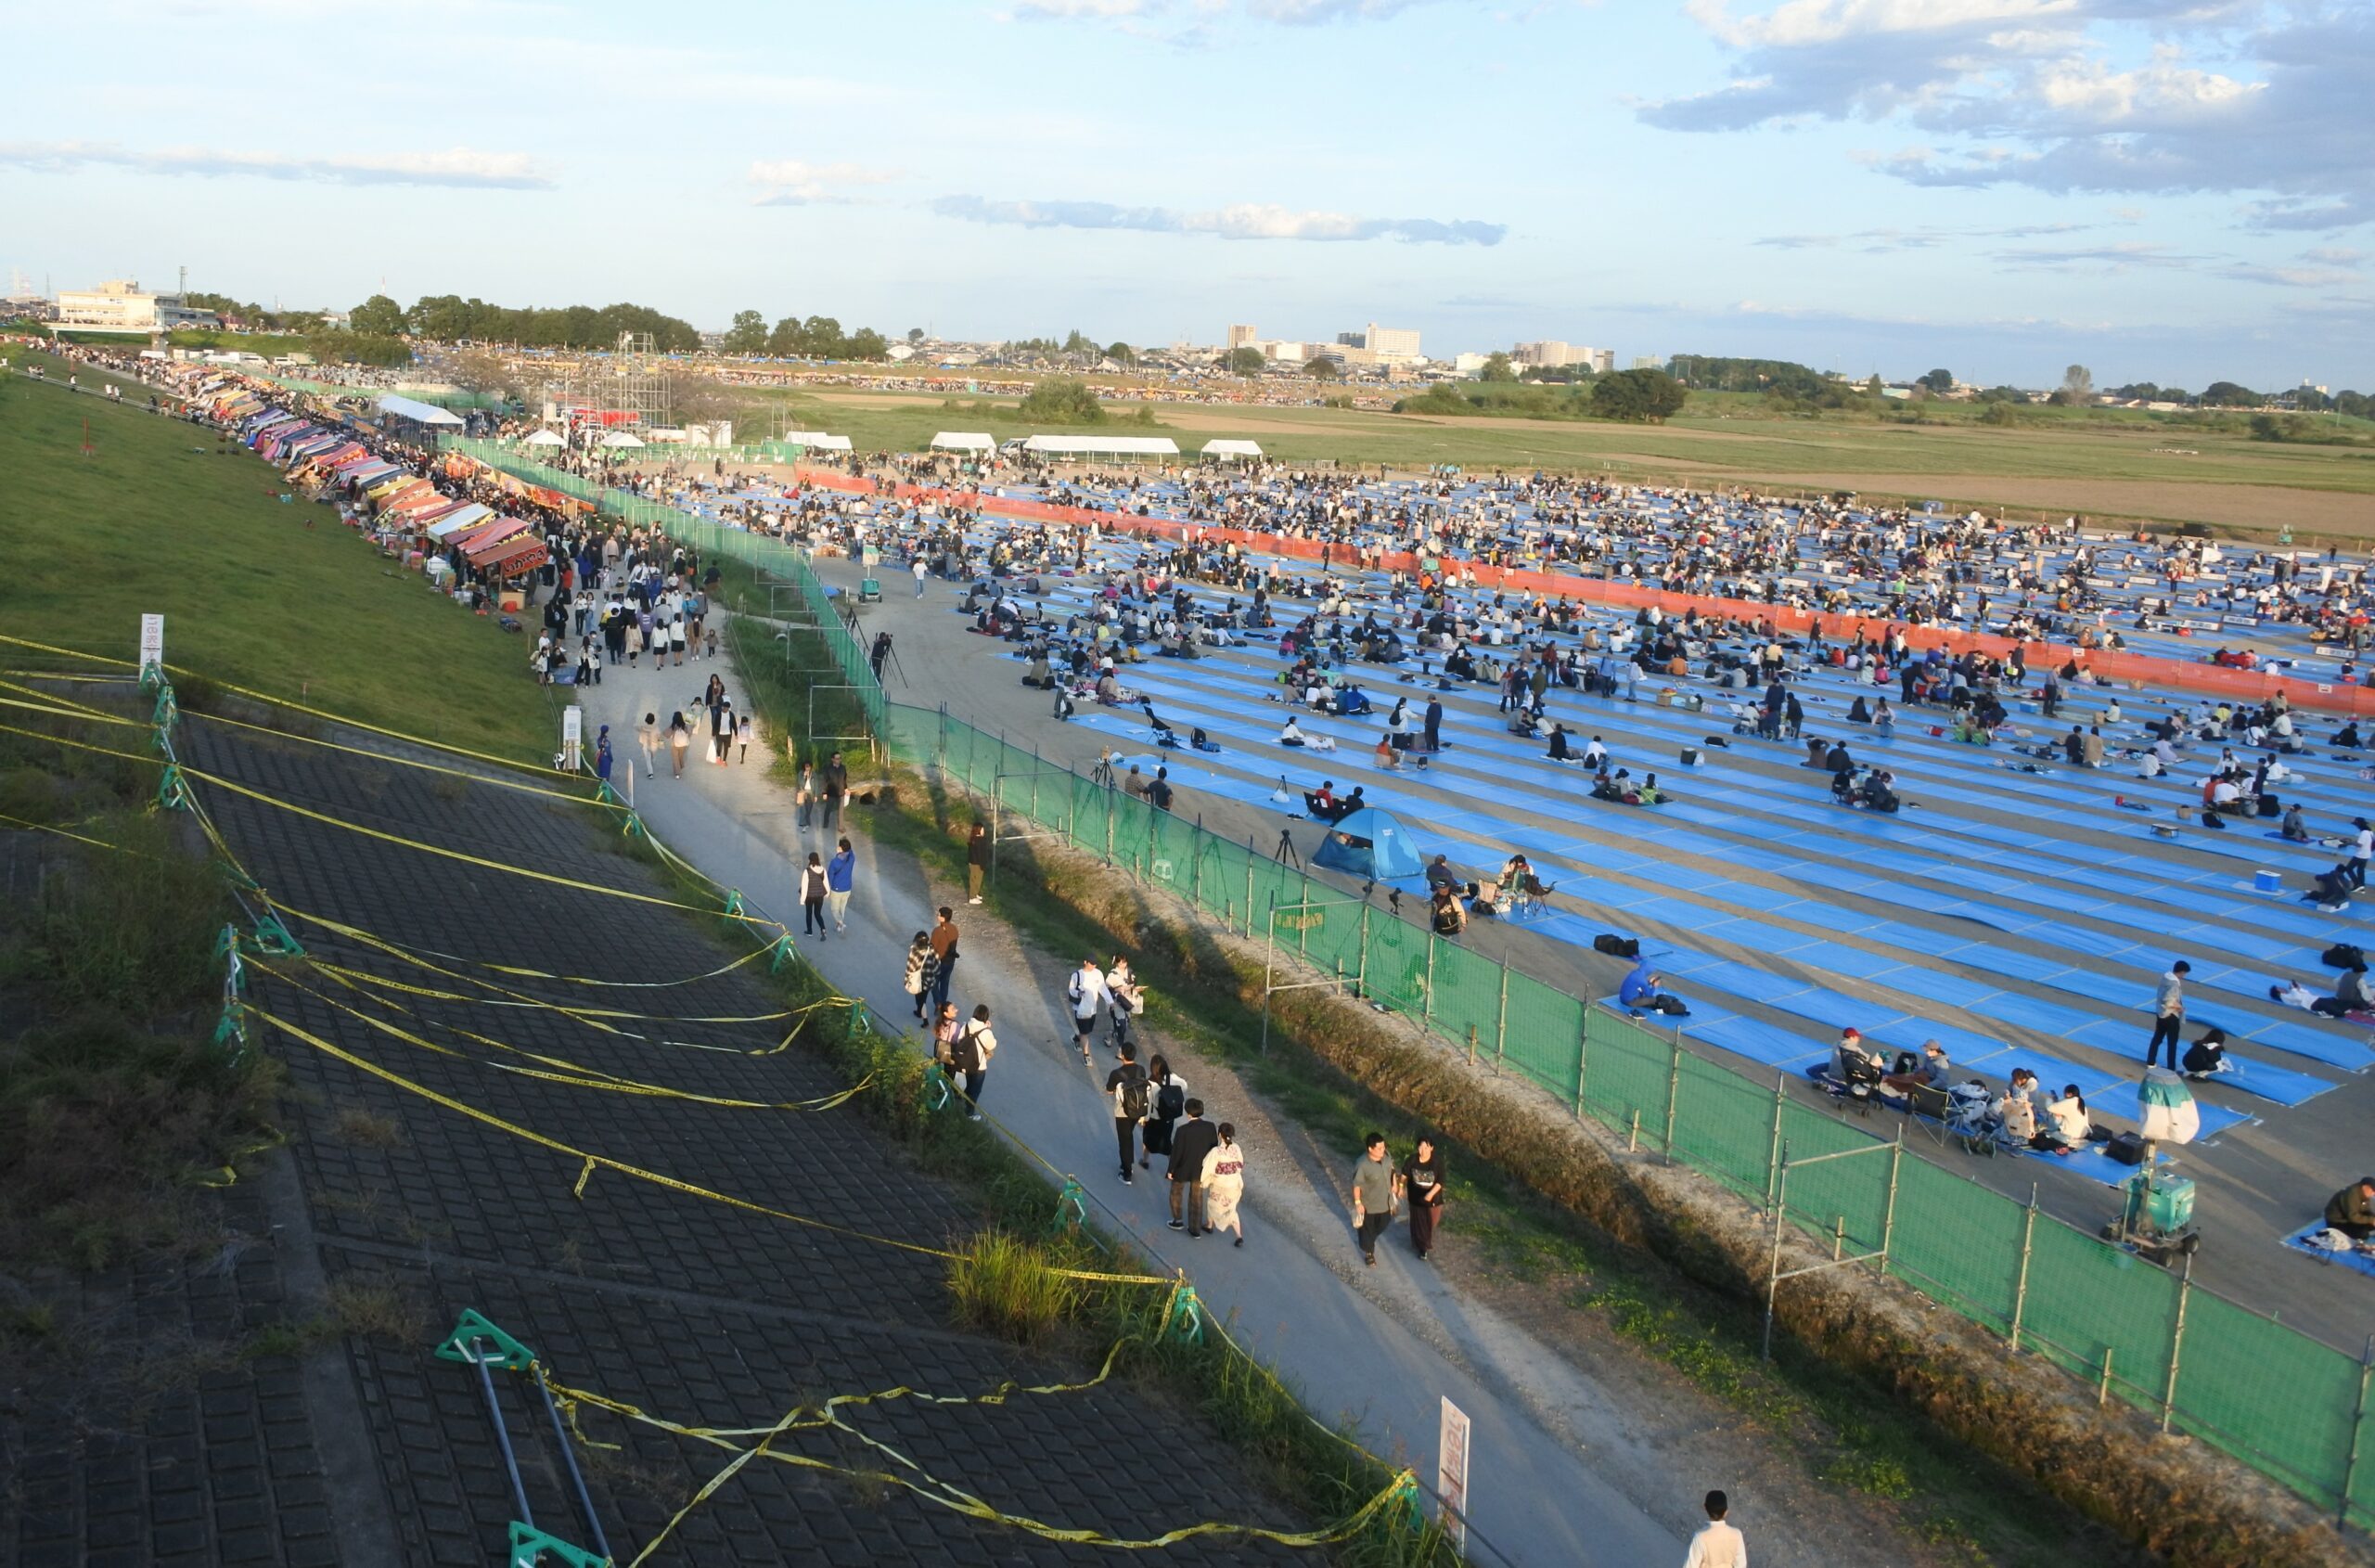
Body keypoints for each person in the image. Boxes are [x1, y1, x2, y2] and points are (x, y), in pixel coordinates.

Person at [1168, 1098, 1220, 1236]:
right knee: (1197, 1198)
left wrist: (1170, 1170)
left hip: (1182, 1168)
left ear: (1188, 1113)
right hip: (1201, 1170)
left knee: (1176, 1192)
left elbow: (1176, 1152)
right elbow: (1214, 1148)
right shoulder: (1210, 1127)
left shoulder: (1182, 1130)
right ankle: (1195, 1229)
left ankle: (1177, 1220)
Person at [1107, 1043, 1150, 1184]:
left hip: (1123, 1112)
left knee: (1125, 1141)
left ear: (1123, 1056)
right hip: (1138, 1109)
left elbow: (1109, 1090)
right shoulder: (1141, 1069)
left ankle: (1126, 1173)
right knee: (1129, 1135)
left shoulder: (1116, 1073)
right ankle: (1127, 1163)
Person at [1351, 1132, 1395, 1266]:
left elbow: (1392, 1169)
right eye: (1380, 1148)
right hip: (1369, 1205)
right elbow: (1357, 1184)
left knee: (1384, 1223)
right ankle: (1369, 1253)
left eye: (1384, 1147)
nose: (1383, 1150)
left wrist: (1395, 1183)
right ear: (1370, 1149)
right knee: (1368, 1230)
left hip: (1386, 1202)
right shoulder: (1362, 1164)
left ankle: (1369, 1238)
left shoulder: (1386, 1156)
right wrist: (1358, 1202)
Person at [1401, 1135, 1445, 1261]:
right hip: (1416, 1197)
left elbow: (1441, 1181)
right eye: (1421, 1147)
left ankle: (1421, 1240)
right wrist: (1400, 1186)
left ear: (1431, 1148)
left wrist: (1430, 1194)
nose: (1423, 1150)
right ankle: (1423, 1247)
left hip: (1433, 1199)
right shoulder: (1412, 1159)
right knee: (1418, 1223)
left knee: (1431, 1222)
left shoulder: (1437, 1162)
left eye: (1426, 1147)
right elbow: (1404, 1174)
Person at [1201, 1124, 1248, 1245]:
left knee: (1213, 1205)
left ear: (1219, 1134)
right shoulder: (1236, 1148)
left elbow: (1208, 1166)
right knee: (1231, 1209)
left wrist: (1204, 1180)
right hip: (1233, 1184)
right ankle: (1238, 1235)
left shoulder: (1216, 1151)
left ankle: (1210, 1225)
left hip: (1219, 1184)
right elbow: (1240, 1164)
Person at [950, 1004, 996, 1119]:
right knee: (975, 1090)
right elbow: (992, 1045)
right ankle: (969, 1113)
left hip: (964, 1062)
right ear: (986, 1018)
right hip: (978, 1067)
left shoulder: (965, 1026)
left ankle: (959, 1099)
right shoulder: (986, 1032)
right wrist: (988, 1029)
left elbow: (959, 1040)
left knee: (964, 1085)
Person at [1142, 1053, 1186, 1170]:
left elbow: (1148, 1103)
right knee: (1167, 1142)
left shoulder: (1150, 1083)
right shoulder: (1174, 1078)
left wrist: (1144, 1120)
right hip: (1168, 1118)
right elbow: (1184, 1086)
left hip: (1154, 1118)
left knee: (1147, 1140)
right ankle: (1172, 1166)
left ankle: (1145, 1161)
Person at [1685, 1489, 1746, 1568]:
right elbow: (1741, 1565)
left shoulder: (1700, 1537)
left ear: (1705, 1508)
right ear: (1726, 1512)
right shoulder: (1737, 1534)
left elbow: (1690, 1566)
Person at [2148, 960, 2190, 1068]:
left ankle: (2151, 1061)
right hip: (2171, 1016)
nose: (2184, 976)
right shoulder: (2174, 984)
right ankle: (2171, 1068)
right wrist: (2179, 1007)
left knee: (2157, 1038)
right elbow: (2168, 1000)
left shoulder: (2165, 977)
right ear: (2181, 972)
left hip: (2160, 1013)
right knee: (2172, 1043)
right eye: (2184, 973)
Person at [1067, 955, 1110, 1063]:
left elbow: (1102, 988)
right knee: (1085, 1033)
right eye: (1091, 963)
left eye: (1095, 963)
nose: (1093, 966)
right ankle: (1086, 1056)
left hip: (1092, 1008)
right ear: (1085, 962)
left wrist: (1110, 1001)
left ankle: (1076, 1038)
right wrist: (1079, 993)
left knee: (1087, 1031)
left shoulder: (1098, 973)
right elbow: (1071, 990)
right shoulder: (1077, 975)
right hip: (1080, 1008)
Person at [1882, 1039, 1949, 1093]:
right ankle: (1890, 1082)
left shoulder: (1942, 1063)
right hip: (1925, 1078)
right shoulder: (1928, 1057)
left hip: (1935, 1087)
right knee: (1906, 1076)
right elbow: (1924, 1068)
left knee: (1912, 1083)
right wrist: (1913, 1072)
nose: (1926, 1052)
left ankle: (1895, 1087)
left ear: (1934, 1050)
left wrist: (1926, 1087)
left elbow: (1940, 1080)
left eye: (1927, 1050)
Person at [928, 906, 960, 1010]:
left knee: (933, 983)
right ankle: (943, 1007)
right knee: (945, 984)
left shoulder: (937, 931)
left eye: (939, 914)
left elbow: (932, 948)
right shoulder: (954, 929)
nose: (937, 916)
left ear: (942, 918)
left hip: (939, 962)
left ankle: (939, 1003)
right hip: (950, 961)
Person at [2325, 1177, 2375, 1244]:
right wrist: (2371, 1220)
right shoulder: (2352, 1194)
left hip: (2350, 1218)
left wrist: (2372, 1218)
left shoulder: (2364, 1194)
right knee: (2362, 1233)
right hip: (2338, 1221)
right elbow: (2353, 1216)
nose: (2373, 1194)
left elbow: (2366, 1210)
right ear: (2365, 1187)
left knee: (2371, 1221)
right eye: (2373, 1191)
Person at [902, 932, 938, 1022]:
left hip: (917, 979)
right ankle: (920, 1011)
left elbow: (910, 967)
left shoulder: (914, 950)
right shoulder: (932, 949)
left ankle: (922, 1015)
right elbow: (937, 964)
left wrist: (907, 978)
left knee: (918, 996)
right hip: (929, 978)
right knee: (924, 996)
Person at [826, 837, 854, 931]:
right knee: (842, 907)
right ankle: (839, 925)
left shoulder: (835, 862)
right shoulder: (851, 858)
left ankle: (840, 922)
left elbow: (830, 876)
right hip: (847, 888)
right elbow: (850, 851)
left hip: (837, 889)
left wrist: (827, 888)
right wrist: (842, 850)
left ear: (841, 848)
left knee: (834, 909)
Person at [798, 851, 829, 939]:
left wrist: (802, 900)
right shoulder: (822, 869)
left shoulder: (807, 871)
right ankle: (823, 929)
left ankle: (809, 931)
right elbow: (826, 882)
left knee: (809, 913)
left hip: (810, 896)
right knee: (818, 914)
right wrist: (827, 893)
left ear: (810, 860)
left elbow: (804, 886)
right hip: (819, 896)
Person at [820, 750, 848, 830]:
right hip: (831, 793)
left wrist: (846, 788)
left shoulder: (843, 768)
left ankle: (841, 827)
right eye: (837, 758)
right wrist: (824, 792)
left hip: (841, 793)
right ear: (832, 759)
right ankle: (826, 823)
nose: (839, 760)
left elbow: (844, 779)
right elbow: (825, 781)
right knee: (828, 809)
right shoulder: (828, 769)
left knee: (841, 811)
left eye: (840, 758)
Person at [967, 820, 990, 904]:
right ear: (979, 830)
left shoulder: (972, 839)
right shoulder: (982, 840)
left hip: (972, 862)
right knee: (976, 880)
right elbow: (982, 854)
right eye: (982, 829)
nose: (984, 831)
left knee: (974, 879)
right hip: (979, 863)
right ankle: (972, 897)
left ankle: (975, 894)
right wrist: (984, 864)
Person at [635, 712, 661, 778]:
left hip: (646, 745)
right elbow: (658, 736)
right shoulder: (656, 728)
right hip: (654, 745)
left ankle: (650, 773)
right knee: (653, 757)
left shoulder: (642, 727)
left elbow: (635, 727)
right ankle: (652, 764)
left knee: (647, 759)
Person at [667, 711, 692, 778]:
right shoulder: (684, 725)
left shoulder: (673, 726)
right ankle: (681, 766)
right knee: (680, 756)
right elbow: (689, 732)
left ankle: (677, 773)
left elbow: (667, 735)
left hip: (675, 744)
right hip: (683, 744)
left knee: (675, 758)